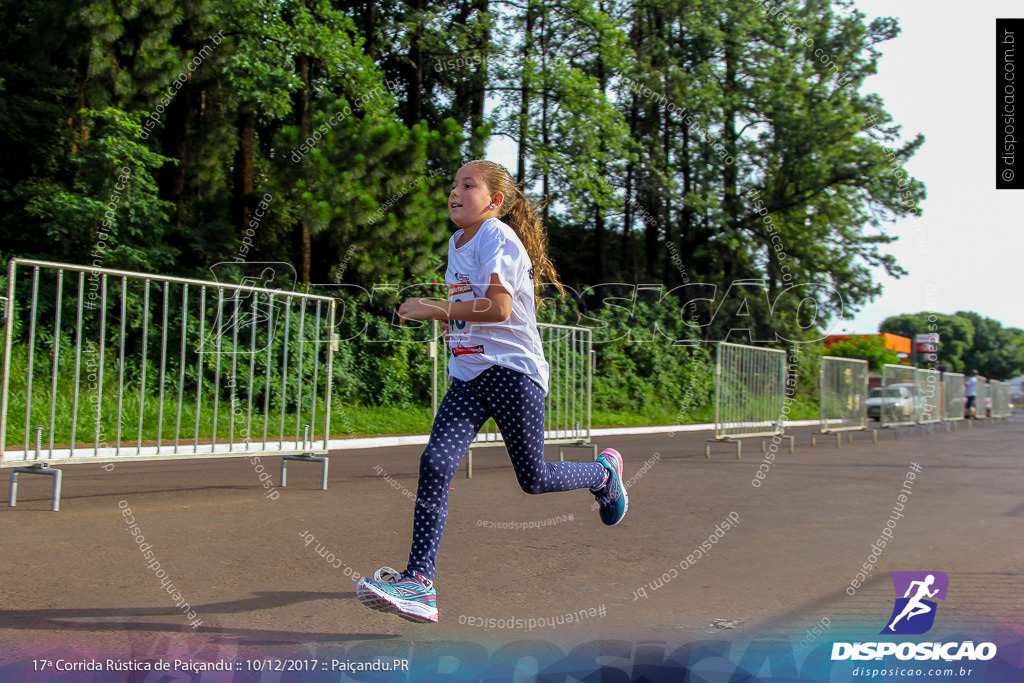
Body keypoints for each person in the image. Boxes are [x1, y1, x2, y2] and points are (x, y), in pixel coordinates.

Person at [355, 160, 627, 623]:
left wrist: (436, 309)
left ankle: (603, 475)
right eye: (453, 183)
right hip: (469, 374)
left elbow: (500, 308)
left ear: (495, 202)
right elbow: (471, 306)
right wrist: (454, 327)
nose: (454, 192)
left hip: (513, 373)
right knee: (435, 462)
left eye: (468, 184)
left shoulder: (497, 237)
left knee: (534, 478)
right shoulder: (457, 242)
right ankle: (419, 583)